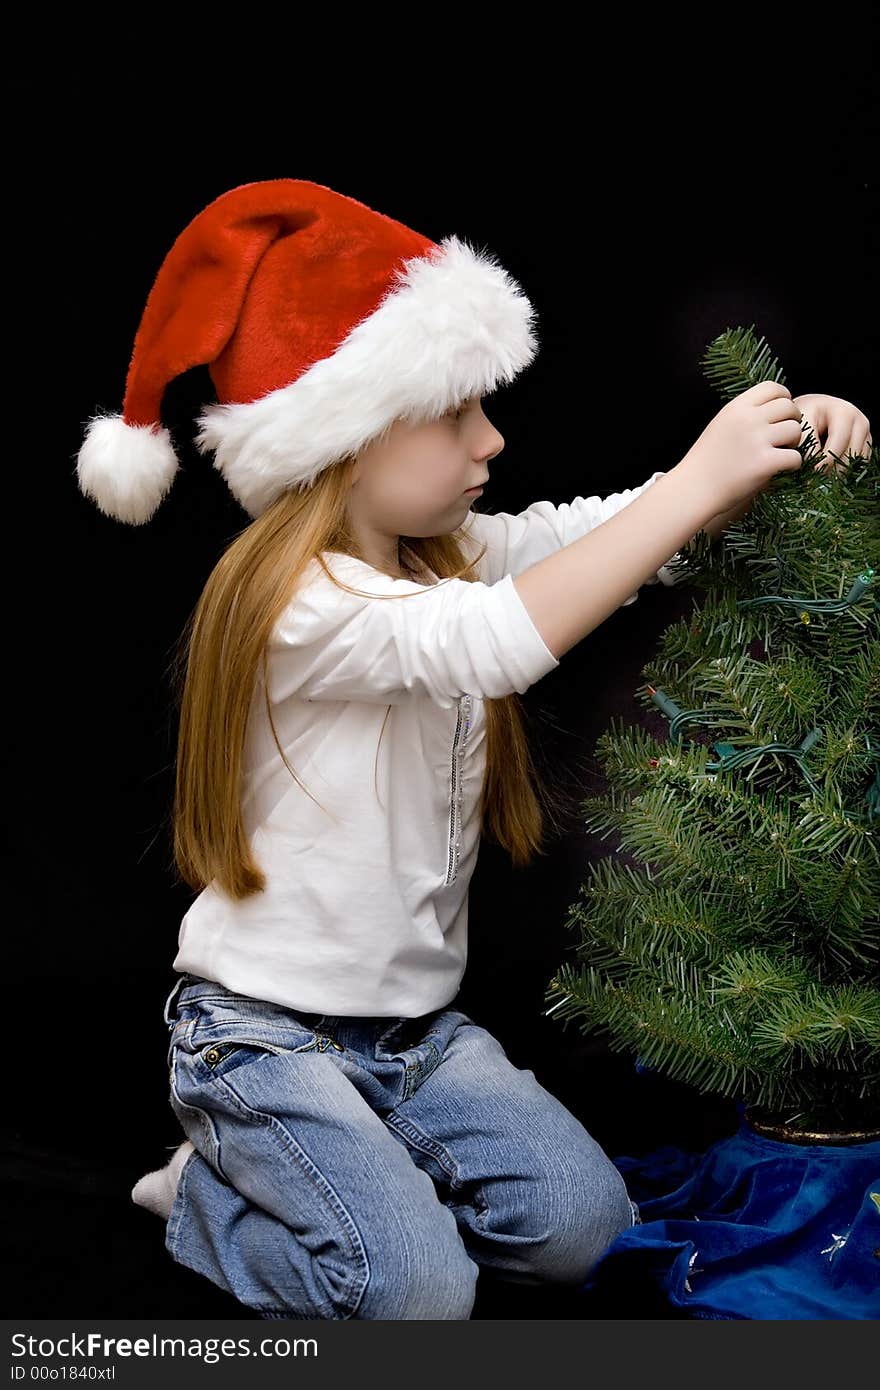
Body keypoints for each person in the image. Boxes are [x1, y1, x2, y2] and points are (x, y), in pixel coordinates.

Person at [76, 179, 871, 1321]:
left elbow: (593, 538)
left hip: (415, 1035)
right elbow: (493, 643)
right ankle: (213, 1188)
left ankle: (357, 1168)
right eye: (456, 413)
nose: (491, 439)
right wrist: (699, 479)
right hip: (260, 1038)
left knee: (578, 1235)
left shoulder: (439, 554)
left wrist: (780, 446)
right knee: (415, 1298)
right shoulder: (292, 602)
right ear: (348, 436)